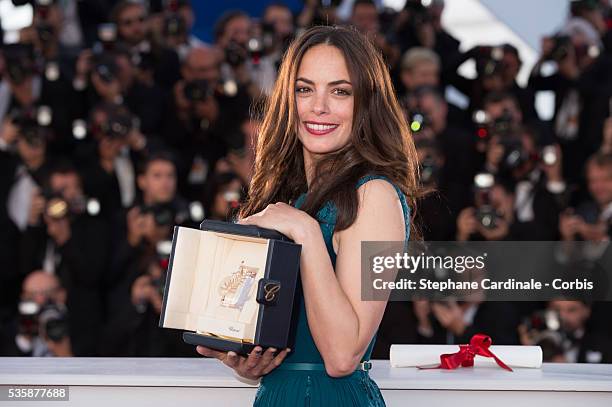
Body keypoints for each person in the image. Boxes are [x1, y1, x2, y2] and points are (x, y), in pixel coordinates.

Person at [195, 25, 420, 406]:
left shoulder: (375, 196)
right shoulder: (286, 194)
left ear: (366, 102)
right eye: (305, 89)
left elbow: (342, 355)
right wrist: (247, 361)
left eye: (340, 91)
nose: (319, 106)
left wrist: (306, 231)